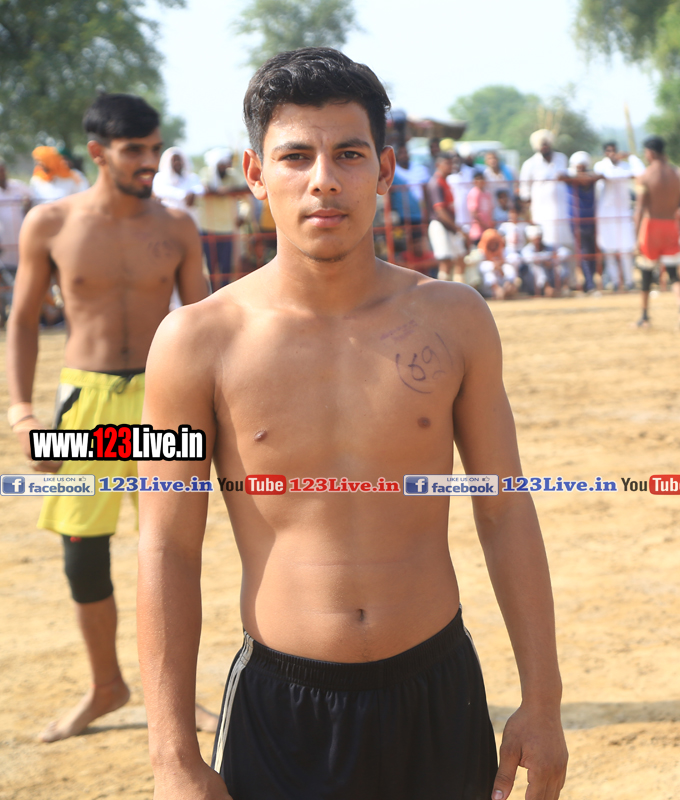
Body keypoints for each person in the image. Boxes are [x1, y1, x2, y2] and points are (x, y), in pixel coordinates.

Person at [137, 47, 568, 800]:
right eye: (295, 156)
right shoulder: (195, 342)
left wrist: (544, 700)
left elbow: (504, 511)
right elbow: (167, 544)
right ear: (255, 173)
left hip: (438, 693)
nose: (324, 180)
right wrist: (171, 754)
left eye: (348, 153)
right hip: (283, 710)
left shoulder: (455, 319)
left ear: (385, 168)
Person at [5, 93, 211, 743]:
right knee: (83, 557)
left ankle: (177, 699)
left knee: (171, 552)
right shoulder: (50, 223)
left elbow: (203, 325)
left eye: (154, 148)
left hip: (163, 401)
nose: (149, 161)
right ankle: (105, 687)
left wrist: (217, 413)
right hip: (84, 408)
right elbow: (22, 322)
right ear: (97, 152)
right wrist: (23, 413)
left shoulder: (178, 226)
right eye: (133, 151)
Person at [634, 135, 680, 330]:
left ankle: (644, 317)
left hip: (651, 226)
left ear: (651, 153)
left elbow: (640, 209)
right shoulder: (676, 174)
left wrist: (636, 235)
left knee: (646, 272)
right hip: (671, 224)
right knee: (674, 273)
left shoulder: (645, 176)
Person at [593, 142, 642, 292]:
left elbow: (641, 172)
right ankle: (614, 282)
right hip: (606, 214)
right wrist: (624, 174)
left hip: (623, 213)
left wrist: (631, 156)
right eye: (609, 151)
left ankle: (629, 281)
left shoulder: (626, 166)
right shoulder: (600, 166)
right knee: (609, 250)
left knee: (626, 249)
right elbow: (609, 176)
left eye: (614, 151)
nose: (612, 154)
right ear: (605, 153)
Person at [519, 130, 571, 251]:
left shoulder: (561, 158)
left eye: (546, 143)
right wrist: (528, 211)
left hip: (561, 208)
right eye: (542, 144)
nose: (545, 146)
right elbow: (524, 189)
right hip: (541, 209)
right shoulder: (530, 164)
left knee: (564, 242)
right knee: (545, 239)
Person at [199, 148, 243, 289]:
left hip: (227, 228)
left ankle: (224, 293)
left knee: (226, 267)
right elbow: (206, 187)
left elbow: (245, 189)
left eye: (226, 164)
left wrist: (243, 214)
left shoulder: (232, 175)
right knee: (210, 267)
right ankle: (212, 294)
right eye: (221, 164)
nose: (224, 167)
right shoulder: (206, 173)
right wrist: (220, 191)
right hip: (208, 228)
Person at [426, 152, 467, 280]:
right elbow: (440, 211)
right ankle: (443, 291)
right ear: (438, 165)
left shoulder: (444, 182)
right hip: (440, 224)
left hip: (449, 226)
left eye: (451, 163)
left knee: (460, 258)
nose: (451, 166)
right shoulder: (436, 183)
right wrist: (457, 228)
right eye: (447, 163)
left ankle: (458, 289)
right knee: (445, 262)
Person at [565, 151, 601, 294]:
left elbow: (599, 176)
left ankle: (589, 282)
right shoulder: (569, 178)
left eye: (583, 168)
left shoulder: (592, 178)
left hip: (592, 221)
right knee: (584, 253)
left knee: (592, 252)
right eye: (578, 168)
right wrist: (580, 177)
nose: (581, 171)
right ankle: (590, 283)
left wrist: (584, 177)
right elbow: (560, 176)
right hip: (577, 222)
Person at [152, 146, 205, 226]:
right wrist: (184, 195)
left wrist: (192, 193)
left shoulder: (192, 177)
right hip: (169, 220)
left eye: (179, 159)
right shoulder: (160, 177)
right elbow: (160, 190)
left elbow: (200, 189)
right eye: (174, 160)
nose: (177, 162)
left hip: (190, 219)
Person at [0, 157, 34, 273]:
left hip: (21, 233)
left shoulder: (18, 186)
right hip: (4, 240)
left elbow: (32, 199)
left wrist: (27, 205)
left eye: (2, 170)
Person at [479, 227, 518, 299]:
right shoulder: (481, 253)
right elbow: (481, 267)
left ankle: (509, 287)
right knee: (488, 272)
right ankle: (497, 290)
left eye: (494, 242)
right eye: (491, 242)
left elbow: (514, 258)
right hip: (489, 289)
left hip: (502, 281)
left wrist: (501, 264)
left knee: (508, 268)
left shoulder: (503, 250)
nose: (493, 245)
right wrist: (493, 266)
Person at [466, 169, 495, 245]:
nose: (480, 181)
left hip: (487, 230)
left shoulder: (487, 194)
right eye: (478, 179)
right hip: (478, 232)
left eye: (481, 179)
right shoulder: (474, 193)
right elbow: (474, 213)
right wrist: (485, 226)